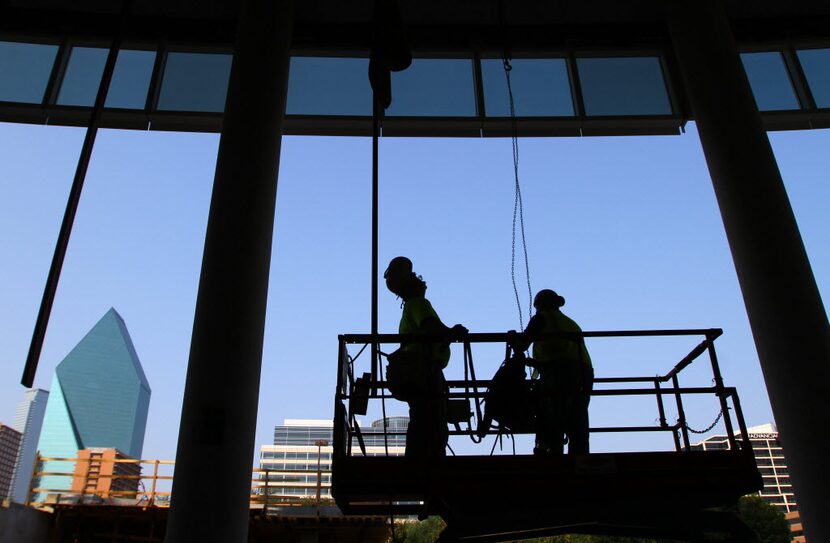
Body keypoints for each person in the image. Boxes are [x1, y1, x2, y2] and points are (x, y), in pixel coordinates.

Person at [384, 256, 467, 458]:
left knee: (421, 420)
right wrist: (453, 332)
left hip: (415, 373)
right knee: (432, 422)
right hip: (425, 373)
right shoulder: (419, 304)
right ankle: (428, 464)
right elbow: (432, 327)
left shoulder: (410, 308)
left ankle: (417, 462)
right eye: (415, 277)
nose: (421, 280)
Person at [511, 289, 594, 455]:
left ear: (539, 306)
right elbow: (559, 347)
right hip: (584, 371)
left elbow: (522, 345)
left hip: (559, 371)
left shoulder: (541, 318)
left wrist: (513, 340)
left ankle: (553, 455)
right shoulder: (570, 322)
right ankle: (580, 457)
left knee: (554, 413)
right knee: (577, 415)